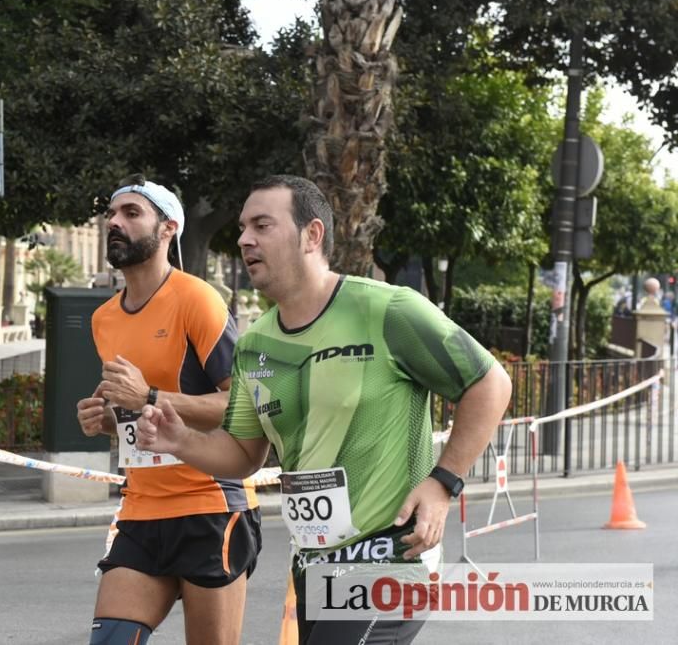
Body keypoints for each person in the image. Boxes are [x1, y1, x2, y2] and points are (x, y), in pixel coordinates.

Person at [136, 174, 511, 644]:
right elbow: (243, 455)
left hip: (390, 556)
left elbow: (490, 382)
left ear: (312, 235)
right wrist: (180, 441)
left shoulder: (388, 310)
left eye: (262, 225)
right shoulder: (254, 345)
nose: (244, 239)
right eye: (242, 227)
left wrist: (443, 482)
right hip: (314, 564)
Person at [75, 174, 261, 645]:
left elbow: (244, 406)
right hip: (141, 507)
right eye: (111, 214)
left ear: (168, 229)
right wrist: (109, 420)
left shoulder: (197, 299)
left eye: (131, 213)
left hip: (210, 505)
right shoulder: (104, 318)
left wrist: (150, 397)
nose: (114, 222)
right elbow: (138, 415)